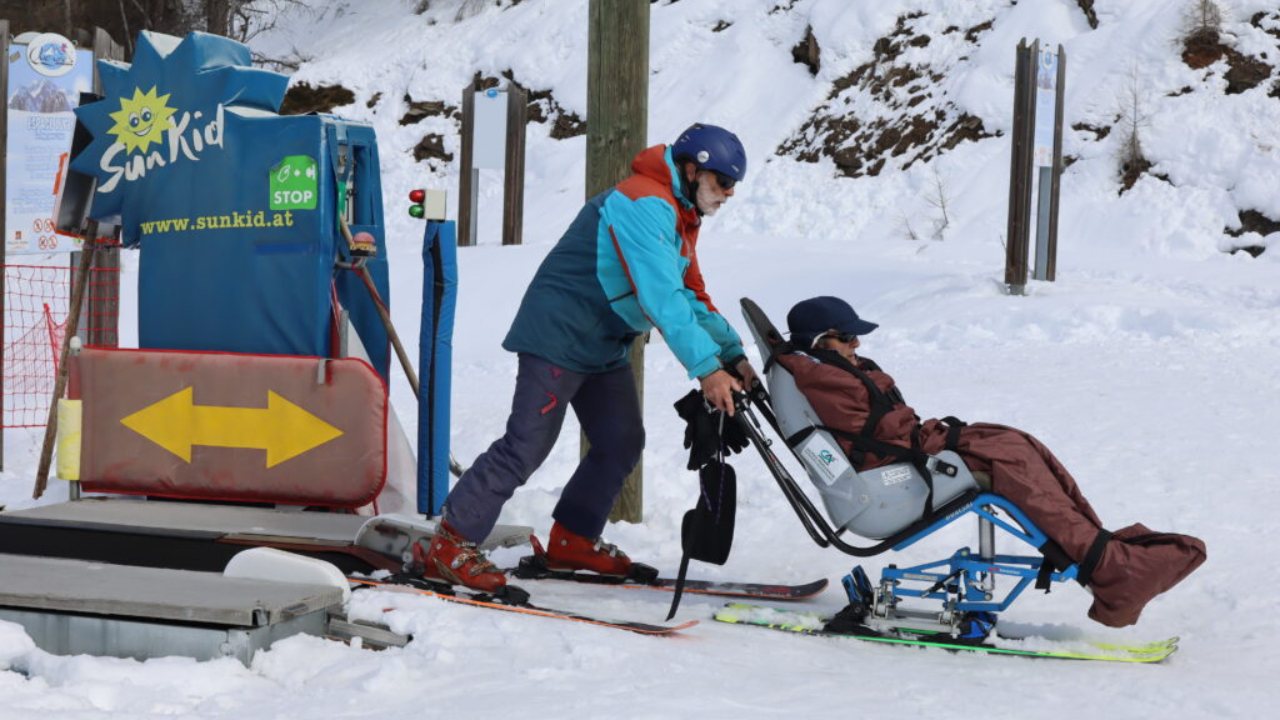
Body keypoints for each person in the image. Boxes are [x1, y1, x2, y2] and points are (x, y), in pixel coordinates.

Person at [421, 123, 760, 593]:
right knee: (526, 446)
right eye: (723, 183)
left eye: (733, 186)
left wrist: (731, 355)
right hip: (560, 334)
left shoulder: (680, 215)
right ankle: (451, 543)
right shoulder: (644, 203)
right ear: (692, 168)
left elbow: (691, 293)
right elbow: (662, 298)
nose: (728, 195)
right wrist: (706, 370)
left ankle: (572, 540)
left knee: (621, 440)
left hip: (603, 342)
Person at [776, 296, 1206, 627]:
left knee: (1018, 445)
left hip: (904, 457)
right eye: (846, 338)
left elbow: (877, 424)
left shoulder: (824, 369)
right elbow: (878, 432)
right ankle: (1111, 569)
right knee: (1012, 466)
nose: (857, 345)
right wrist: (934, 442)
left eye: (856, 337)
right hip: (888, 490)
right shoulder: (824, 376)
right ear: (818, 342)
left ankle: (1101, 551)